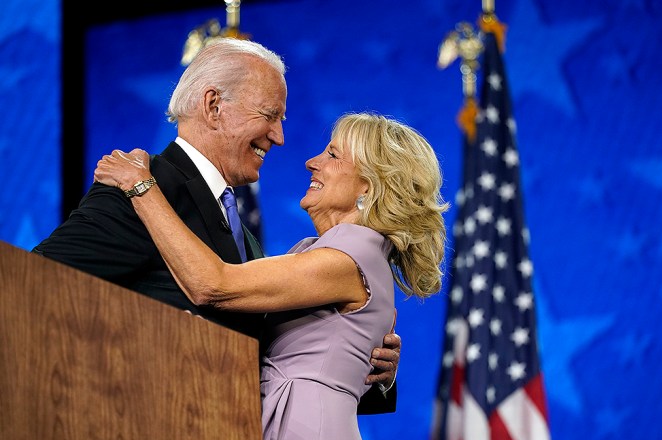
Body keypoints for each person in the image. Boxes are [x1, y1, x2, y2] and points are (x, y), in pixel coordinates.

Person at [31, 38, 398, 413]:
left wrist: (368, 365)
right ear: (213, 106)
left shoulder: (243, 236)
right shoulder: (144, 188)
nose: (279, 137)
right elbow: (35, 286)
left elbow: (273, 365)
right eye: (270, 115)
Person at [93, 111, 449, 440]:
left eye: (333, 155)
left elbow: (212, 285)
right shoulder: (331, 253)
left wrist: (140, 187)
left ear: (369, 188)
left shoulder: (353, 253)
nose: (312, 161)